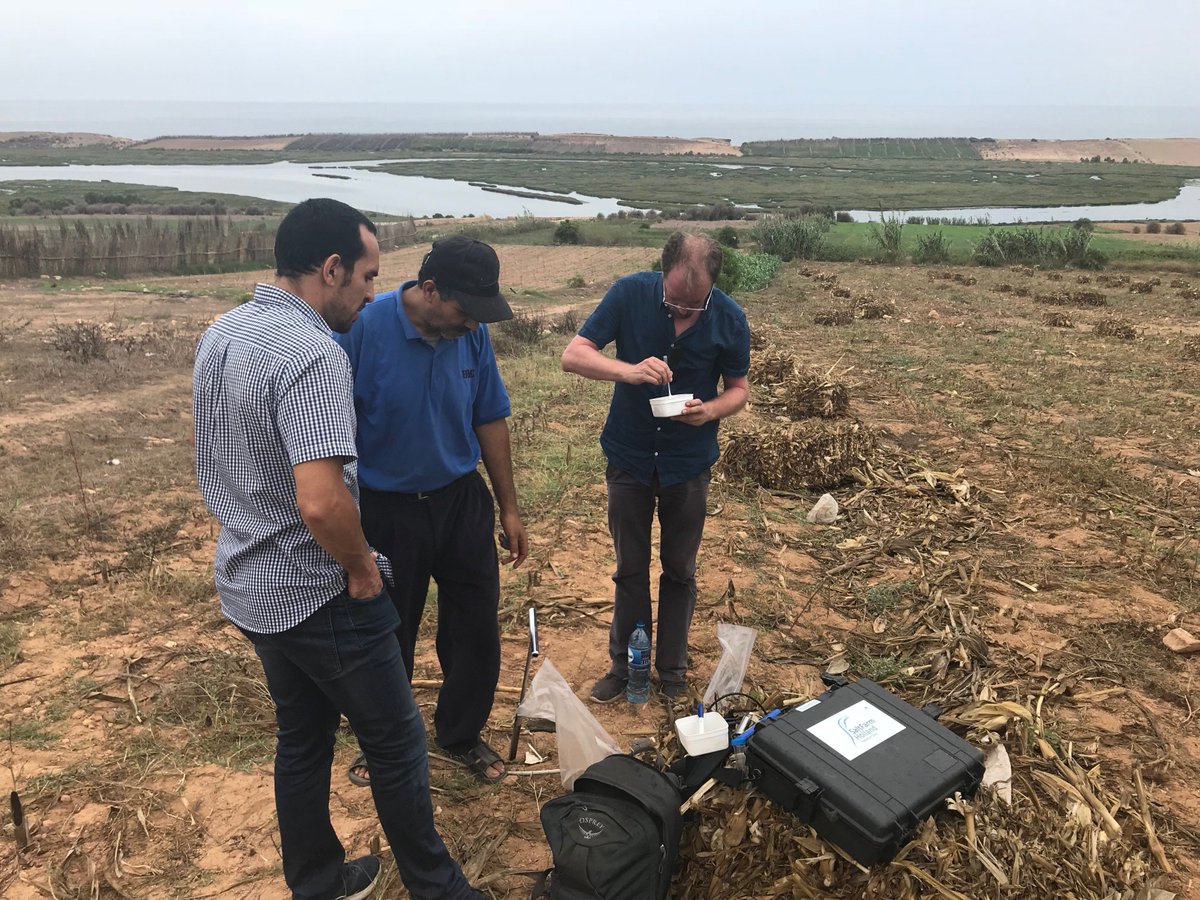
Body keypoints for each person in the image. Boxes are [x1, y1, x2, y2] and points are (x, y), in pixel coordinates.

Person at [193, 199, 485, 900]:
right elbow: (322, 502)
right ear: (331, 269)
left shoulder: (223, 333)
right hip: (314, 589)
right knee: (396, 741)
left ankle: (319, 883)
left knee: (302, 738)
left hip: (250, 583)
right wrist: (361, 569)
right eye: (367, 275)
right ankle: (440, 889)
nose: (372, 293)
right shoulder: (314, 352)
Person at [335, 235, 528, 787]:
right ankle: (383, 741)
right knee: (386, 631)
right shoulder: (361, 330)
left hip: (460, 501)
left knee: (475, 626)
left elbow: (489, 417)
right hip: (386, 510)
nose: (472, 323)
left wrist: (509, 509)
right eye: (465, 310)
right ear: (429, 288)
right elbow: (332, 429)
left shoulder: (471, 336)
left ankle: (461, 733)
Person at [561, 232, 750, 704]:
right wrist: (627, 371)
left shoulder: (729, 317)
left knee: (680, 570)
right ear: (662, 274)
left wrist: (710, 411)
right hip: (629, 455)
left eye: (694, 305)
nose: (683, 312)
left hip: (688, 462)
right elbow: (573, 355)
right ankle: (625, 666)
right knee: (630, 567)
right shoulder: (629, 293)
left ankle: (672, 669)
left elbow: (739, 389)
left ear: (713, 287)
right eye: (674, 302)